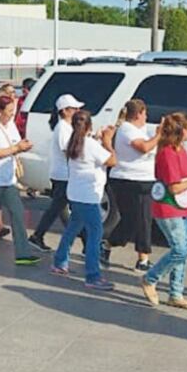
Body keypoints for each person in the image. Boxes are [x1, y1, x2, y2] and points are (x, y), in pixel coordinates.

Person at [139, 112, 187, 311]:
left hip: (185, 206)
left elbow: (185, 179)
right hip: (169, 207)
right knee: (180, 250)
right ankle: (151, 278)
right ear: (182, 130)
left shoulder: (180, 150)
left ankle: (176, 293)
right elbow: (174, 187)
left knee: (183, 251)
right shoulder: (167, 153)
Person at [51, 110, 117, 290]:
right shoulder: (90, 144)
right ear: (89, 126)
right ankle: (92, 275)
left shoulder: (74, 141)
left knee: (72, 228)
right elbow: (112, 161)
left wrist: (96, 138)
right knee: (95, 235)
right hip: (89, 196)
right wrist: (108, 141)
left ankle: (59, 261)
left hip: (75, 194)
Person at [0, 95, 40, 266]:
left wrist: (22, 146)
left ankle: (23, 252)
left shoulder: (10, 125)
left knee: (17, 212)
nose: (12, 115)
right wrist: (15, 148)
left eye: (13, 111)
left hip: (7, 178)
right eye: (9, 111)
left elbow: (15, 143)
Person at [103, 99, 159, 271]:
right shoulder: (127, 129)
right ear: (138, 114)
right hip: (129, 180)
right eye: (144, 113)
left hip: (145, 179)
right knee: (142, 218)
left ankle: (107, 244)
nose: (146, 117)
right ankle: (143, 259)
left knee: (133, 220)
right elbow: (143, 147)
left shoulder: (140, 130)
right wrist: (160, 135)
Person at [28, 94, 85, 252]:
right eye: (75, 108)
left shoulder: (68, 127)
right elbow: (69, 150)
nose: (78, 111)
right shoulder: (62, 128)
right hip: (63, 175)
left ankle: (37, 236)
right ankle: (87, 244)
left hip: (66, 174)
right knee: (74, 208)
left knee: (58, 208)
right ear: (65, 111)